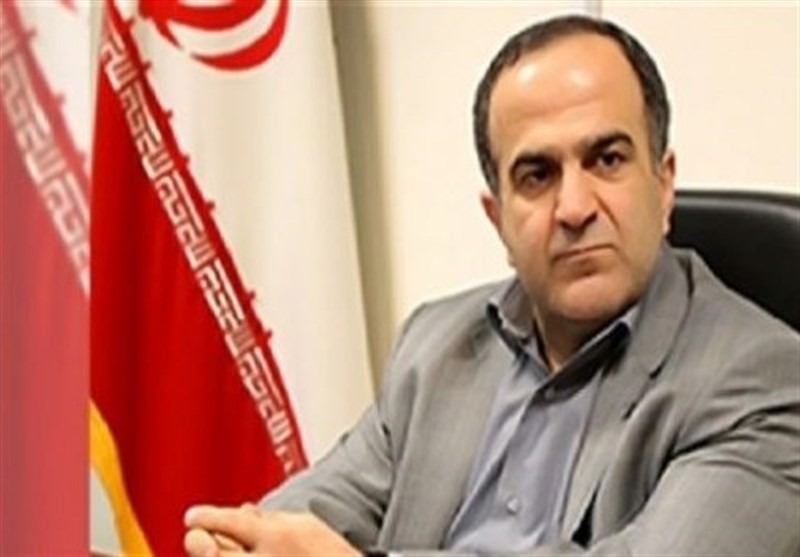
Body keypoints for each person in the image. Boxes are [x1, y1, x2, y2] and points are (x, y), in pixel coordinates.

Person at [184, 14, 800, 556]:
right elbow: (312, 512)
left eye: (607, 159)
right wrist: (239, 541)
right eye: (537, 174)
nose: (575, 207)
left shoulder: (767, 379)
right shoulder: (435, 346)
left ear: (664, 184)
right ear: (497, 216)